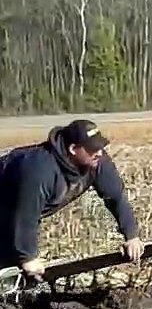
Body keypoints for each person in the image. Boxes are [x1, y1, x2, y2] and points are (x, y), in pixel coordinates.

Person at [0, 119, 144, 277]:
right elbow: (25, 215)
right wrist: (27, 257)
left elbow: (116, 197)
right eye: (92, 149)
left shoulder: (97, 161)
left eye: (100, 146)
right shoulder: (39, 170)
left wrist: (131, 235)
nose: (100, 152)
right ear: (73, 149)